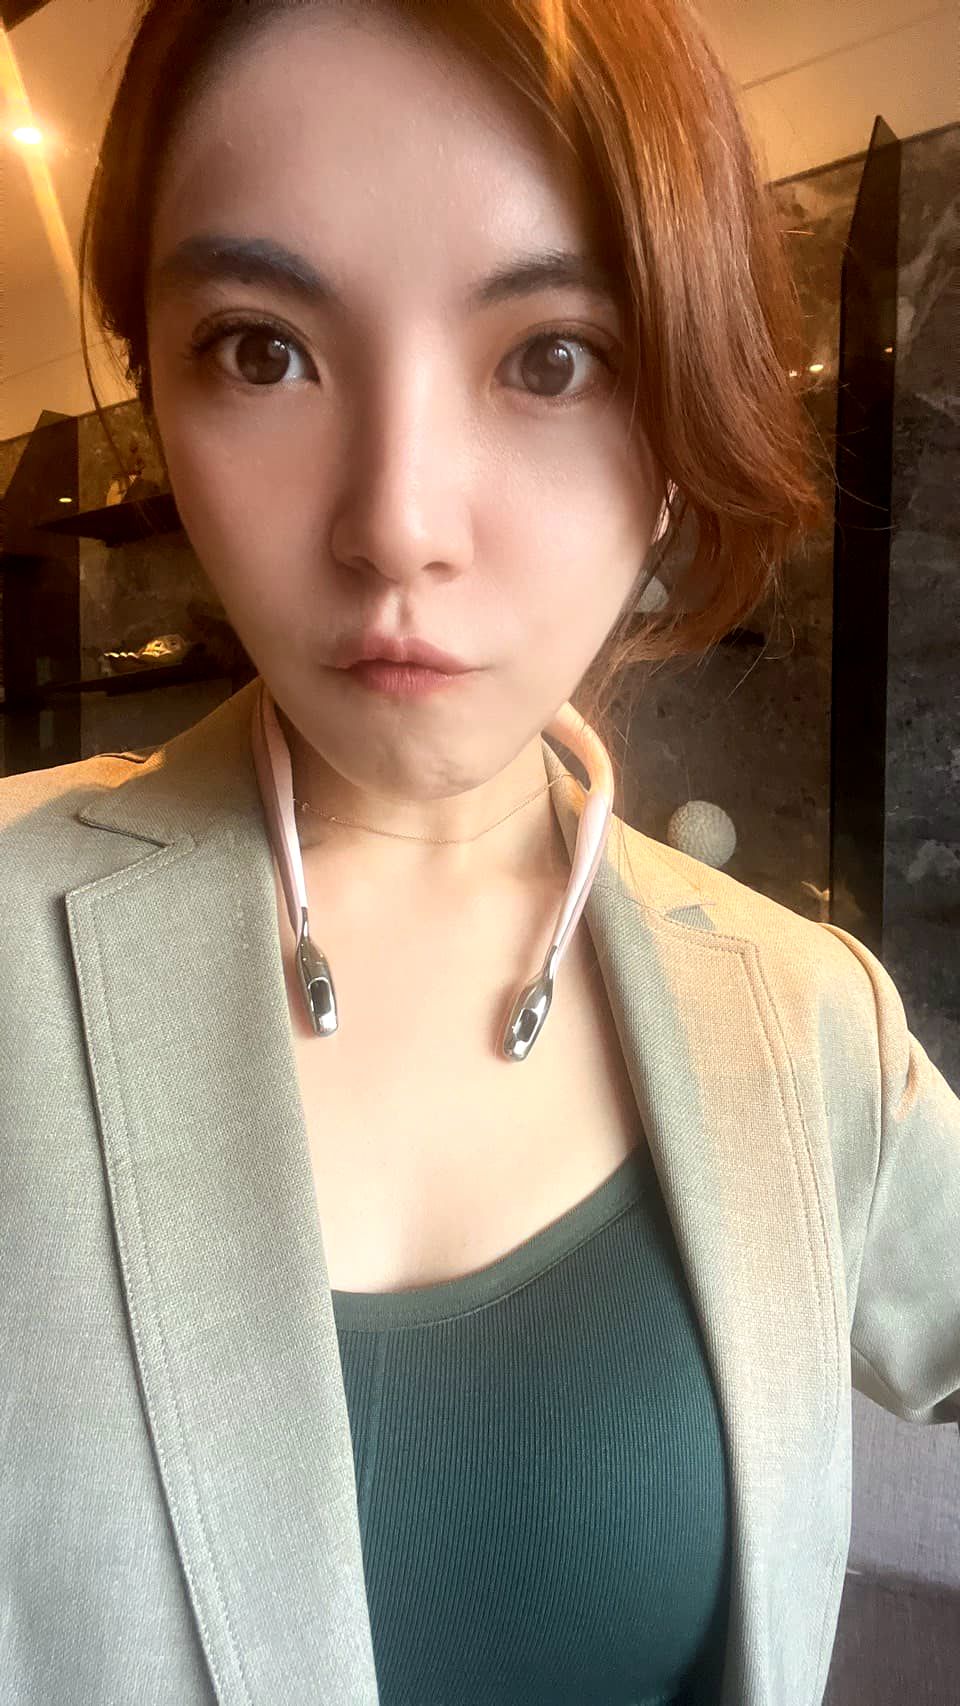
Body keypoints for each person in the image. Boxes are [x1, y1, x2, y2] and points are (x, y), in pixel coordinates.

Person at [2, 3, 957, 1705]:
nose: (397, 521)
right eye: (261, 350)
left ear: (677, 440)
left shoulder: (811, 1020)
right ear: (153, 382)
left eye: (554, 359)